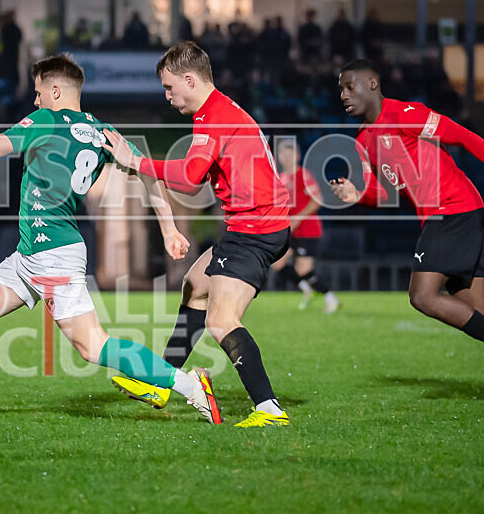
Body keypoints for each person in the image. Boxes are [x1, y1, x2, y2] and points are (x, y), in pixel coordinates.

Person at [0, 55, 222, 425]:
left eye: (39, 93)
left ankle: (189, 386)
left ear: (56, 90)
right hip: (32, 253)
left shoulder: (45, 121)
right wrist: (168, 229)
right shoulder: (103, 132)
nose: (35, 101)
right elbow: (149, 174)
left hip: (53, 254)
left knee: (92, 346)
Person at [104, 41, 292, 428]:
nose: (168, 97)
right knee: (194, 285)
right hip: (255, 226)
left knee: (221, 321)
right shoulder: (217, 112)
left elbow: (190, 180)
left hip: (254, 229)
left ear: (190, 80)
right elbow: (204, 172)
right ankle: (160, 383)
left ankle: (269, 409)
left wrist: (136, 160)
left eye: (170, 88)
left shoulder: (214, 117)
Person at [332, 59, 484, 344]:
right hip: (450, 216)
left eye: (349, 87)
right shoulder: (363, 141)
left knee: (422, 296)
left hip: (454, 209)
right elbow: (386, 193)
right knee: (476, 311)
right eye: (340, 89)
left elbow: (462, 137)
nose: (343, 95)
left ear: (372, 84)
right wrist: (357, 195)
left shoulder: (405, 114)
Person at [271, 140, 340, 313]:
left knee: (303, 269)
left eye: (289, 154)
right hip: (289, 230)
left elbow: (318, 200)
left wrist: (297, 219)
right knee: (277, 263)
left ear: (297, 156)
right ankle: (307, 289)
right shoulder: (281, 177)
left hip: (307, 230)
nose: (286, 157)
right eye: (283, 154)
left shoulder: (303, 175)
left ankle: (330, 298)